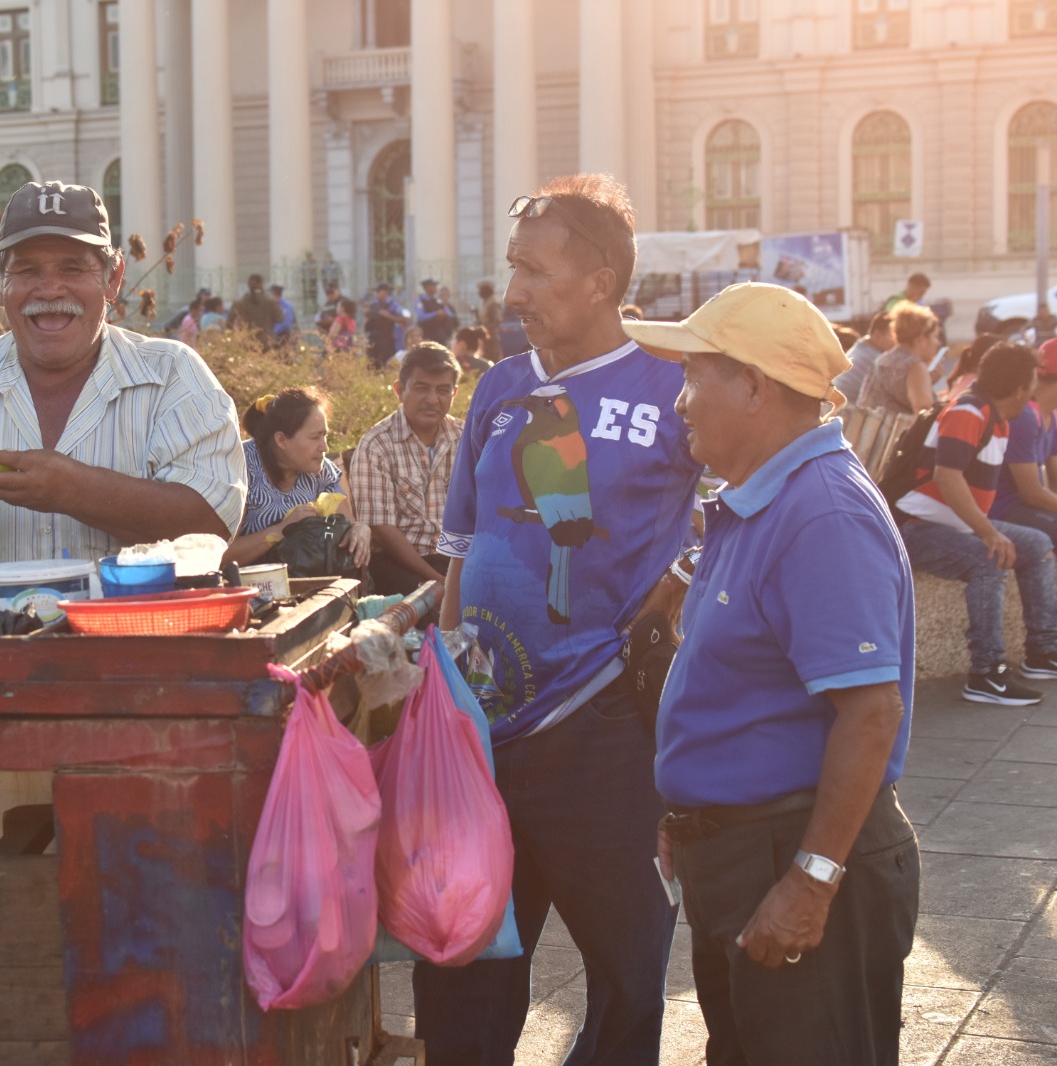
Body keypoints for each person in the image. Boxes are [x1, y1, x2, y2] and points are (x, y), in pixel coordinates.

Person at [419, 173, 701, 1066]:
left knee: (627, 976)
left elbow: (741, 512)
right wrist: (447, 690)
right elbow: (460, 551)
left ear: (603, 282)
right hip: (483, 739)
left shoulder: (673, 386)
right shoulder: (500, 388)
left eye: (535, 271)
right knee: (463, 967)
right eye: (513, 268)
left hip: (606, 734)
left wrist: (676, 588)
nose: (513, 292)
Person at [624, 282, 919, 1064]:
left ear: (754, 387)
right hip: (748, 851)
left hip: (795, 852)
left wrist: (811, 880)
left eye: (693, 377)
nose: (680, 402)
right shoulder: (767, 498)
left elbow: (871, 713)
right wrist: (694, 812)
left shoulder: (821, 513)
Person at [0, 179, 245, 589]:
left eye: (73, 268)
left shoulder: (173, 375)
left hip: (132, 631)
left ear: (113, 279)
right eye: (26, 270)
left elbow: (213, 523)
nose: (50, 289)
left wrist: (75, 489)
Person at [893, 341, 1057, 705]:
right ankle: (987, 673)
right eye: (1033, 381)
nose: (1035, 389)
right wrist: (988, 532)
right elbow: (947, 475)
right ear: (1020, 388)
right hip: (916, 527)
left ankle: (1042, 652)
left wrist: (986, 529)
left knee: (1036, 544)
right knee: (989, 559)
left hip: (951, 526)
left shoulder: (996, 418)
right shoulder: (969, 410)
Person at [350, 342, 462, 594]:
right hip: (400, 564)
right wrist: (438, 582)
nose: (432, 399)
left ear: (454, 394)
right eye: (422, 388)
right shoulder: (376, 444)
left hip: (457, 560)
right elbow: (381, 529)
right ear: (400, 391)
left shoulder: (466, 437)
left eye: (443, 390)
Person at [222, 386, 370, 569]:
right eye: (315, 437)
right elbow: (217, 556)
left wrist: (359, 529)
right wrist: (281, 530)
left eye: (324, 435)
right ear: (281, 440)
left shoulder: (322, 471)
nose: (324, 447)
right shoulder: (239, 469)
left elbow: (345, 525)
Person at [989, 339, 1057, 546]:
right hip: (1001, 510)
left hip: (1022, 507)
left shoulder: (1050, 416)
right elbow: (1031, 494)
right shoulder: (1024, 416)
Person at [858, 302, 939, 415]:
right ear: (921, 339)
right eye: (935, 337)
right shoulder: (914, 366)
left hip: (871, 425)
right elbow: (924, 412)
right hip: (897, 426)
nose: (937, 343)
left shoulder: (882, 359)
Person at [833, 310, 895, 403]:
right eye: (893, 336)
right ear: (878, 335)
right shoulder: (876, 359)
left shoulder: (862, 348)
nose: (897, 342)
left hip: (840, 405)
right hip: (848, 407)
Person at [363, 283, 407, 368]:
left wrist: (388, 316)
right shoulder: (373, 305)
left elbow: (404, 320)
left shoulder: (393, 305)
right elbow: (367, 321)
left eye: (380, 292)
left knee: (386, 363)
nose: (378, 294)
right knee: (371, 364)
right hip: (373, 339)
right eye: (377, 292)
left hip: (387, 339)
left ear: (386, 293)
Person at [233, 273, 281, 342]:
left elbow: (234, 321)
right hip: (267, 339)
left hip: (248, 340)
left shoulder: (240, 302)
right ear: (262, 284)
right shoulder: (270, 301)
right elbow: (280, 318)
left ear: (248, 285)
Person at [414, 277, 457, 345]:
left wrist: (444, 311)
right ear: (427, 288)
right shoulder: (421, 300)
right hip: (427, 334)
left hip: (439, 335)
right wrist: (436, 314)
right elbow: (421, 317)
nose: (435, 288)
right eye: (433, 286)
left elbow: (450, 315)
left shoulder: (438, 300)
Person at [476, 279, 504, 361]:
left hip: (491, 338)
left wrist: (487, 331)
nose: (479, 292)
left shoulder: (493, 303)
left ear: (487, 291)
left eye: (481, 290)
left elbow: (497, 320)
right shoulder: (486, 302)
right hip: (484, 338)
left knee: (493, 360)